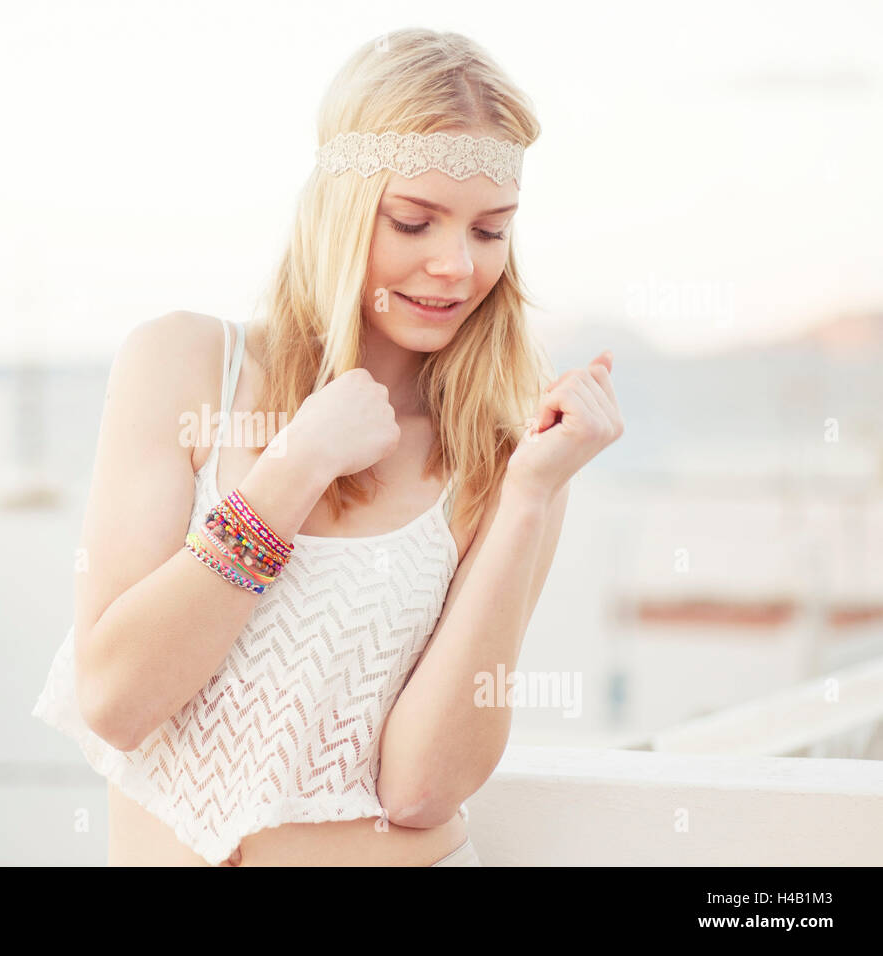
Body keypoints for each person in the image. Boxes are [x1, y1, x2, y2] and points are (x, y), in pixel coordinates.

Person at [32, 26, 624, 867]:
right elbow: (120, 700)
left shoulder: (506, 458)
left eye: (491, 232)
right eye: (415, 221)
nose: (456, 265)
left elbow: (420, 787)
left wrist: (528, 500)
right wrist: (296, 466)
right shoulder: (187, 365)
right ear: (343, 207)